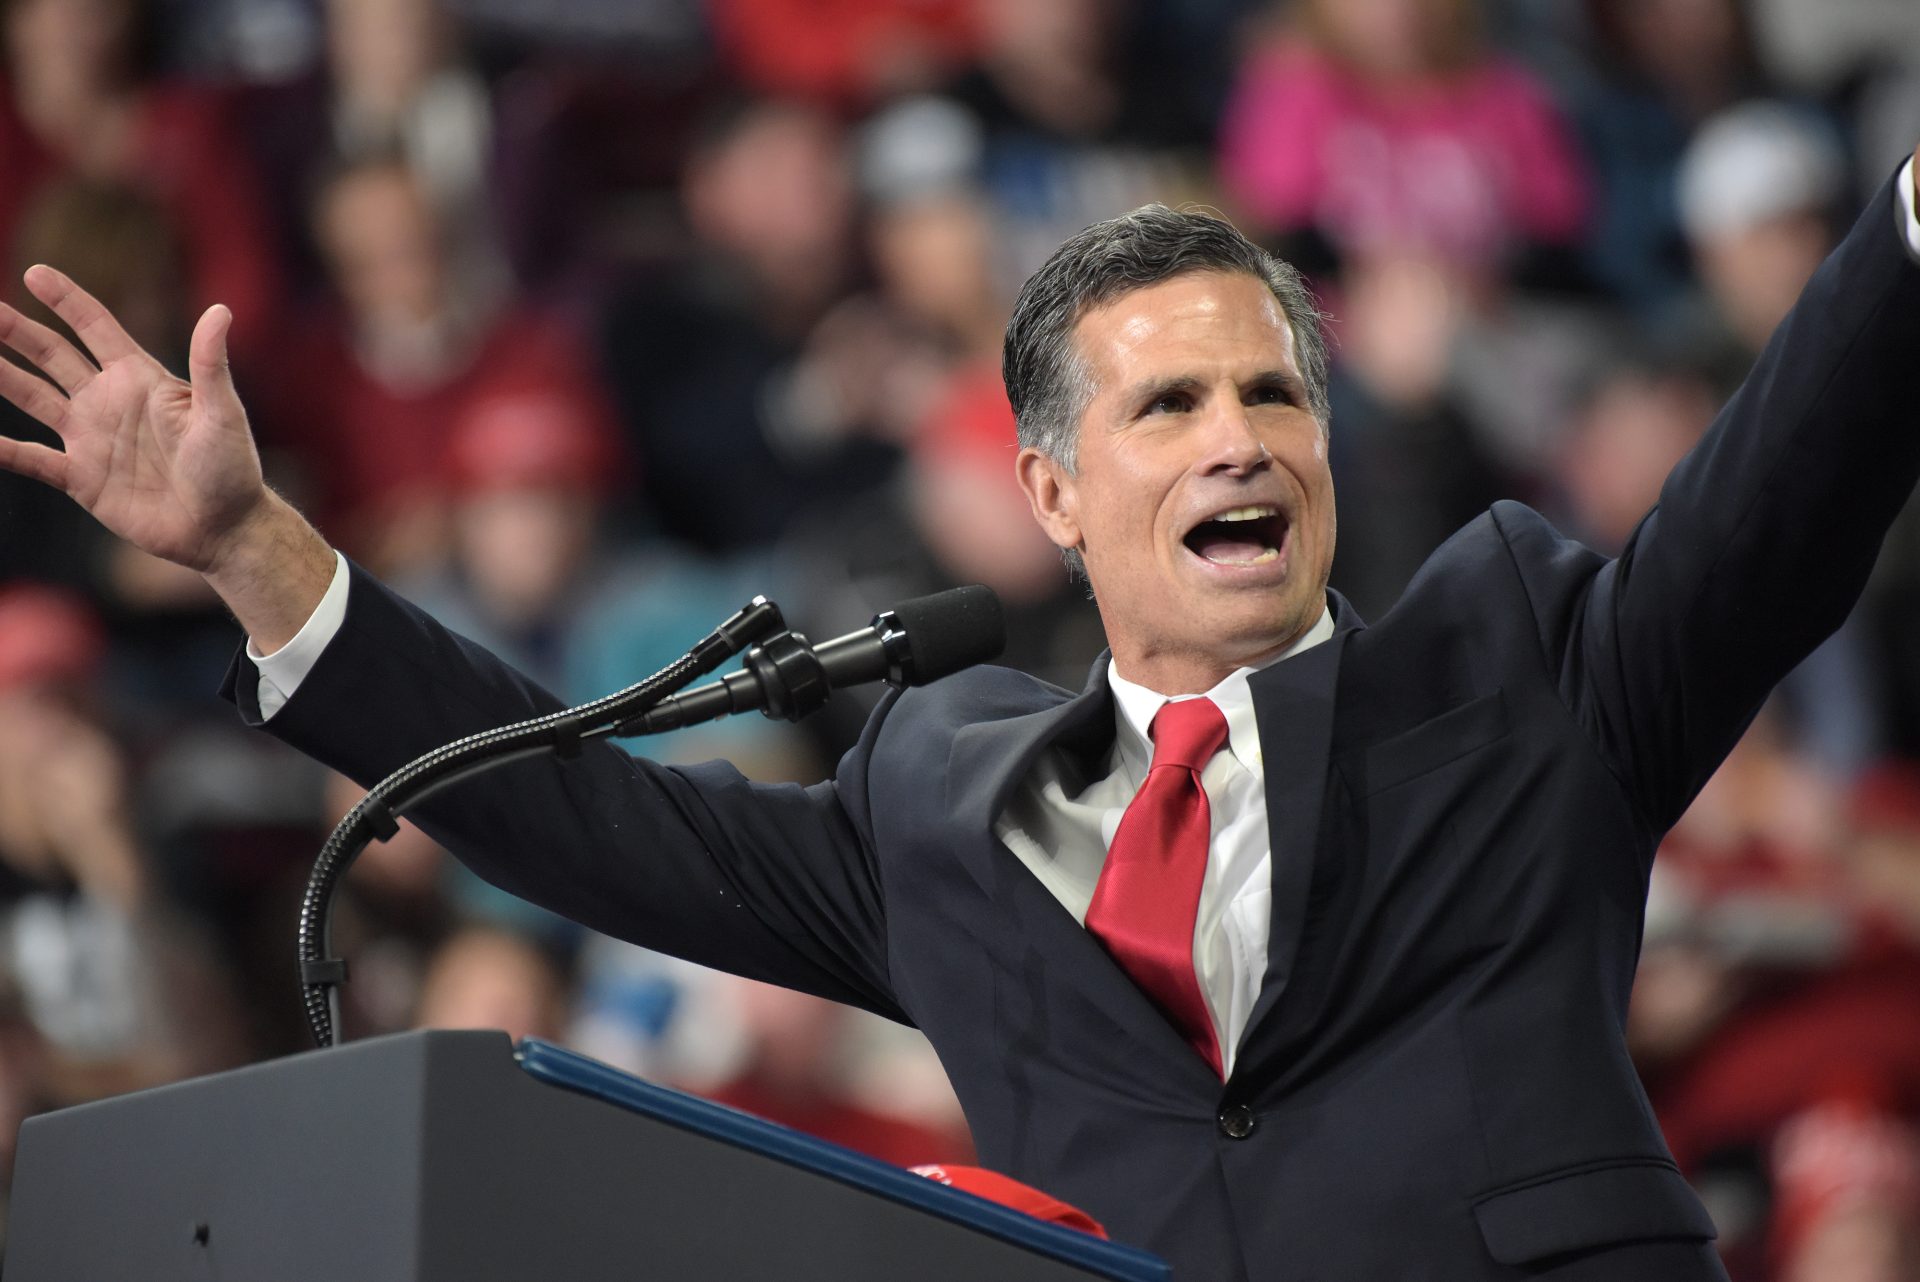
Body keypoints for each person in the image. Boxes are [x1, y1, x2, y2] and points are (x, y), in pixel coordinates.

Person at [0, 147, 1917, 1281]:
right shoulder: (937, 801)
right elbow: (585, 815)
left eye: (1275, 396)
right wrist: (256, 550)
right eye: (1168, 407)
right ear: (1053, 494)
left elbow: (1773, 502)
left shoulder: (1521, 668)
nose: (1239, 436)